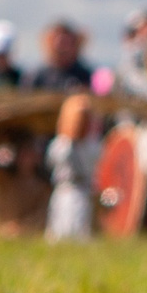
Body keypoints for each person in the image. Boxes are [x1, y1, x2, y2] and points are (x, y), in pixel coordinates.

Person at [45, 95, 100, 242]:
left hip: (83, 192)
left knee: (79, 234)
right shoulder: (61, 146)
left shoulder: (91, 145)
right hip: (65, 190)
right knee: (60, 231)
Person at [26, 21, 97, 94]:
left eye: (66, 43)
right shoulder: (36, 77)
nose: (62, 48)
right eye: (59, 43)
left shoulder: (86, 76)